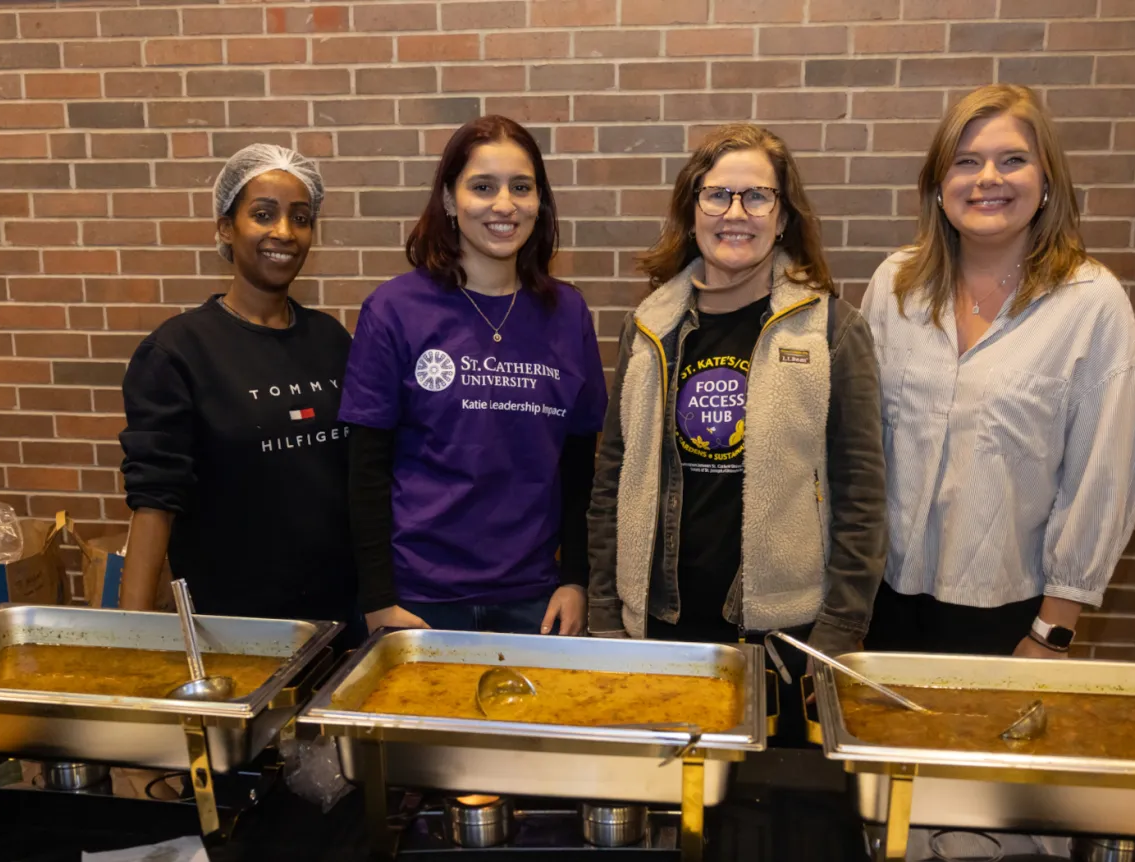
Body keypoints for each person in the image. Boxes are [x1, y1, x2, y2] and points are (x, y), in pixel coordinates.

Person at [587, 123, 887, 742]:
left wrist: (837, 633)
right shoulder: (649, 328)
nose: (736, 213)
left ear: (783, 217)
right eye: (717, 195)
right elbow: (611, 478)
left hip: (782, 638)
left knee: (766, 821)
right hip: (660, 625)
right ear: (691, 209)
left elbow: (862, 497)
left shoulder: (831, 330)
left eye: (758, 196)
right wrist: (605, 613)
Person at [860, 84, 1135, 658]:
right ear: (938, 187)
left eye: (1012, 160)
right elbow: (858, 450)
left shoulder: (1091, 304)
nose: (987, 178)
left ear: (1046, 182)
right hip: (880, 602)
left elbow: (1102, 479)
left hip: (1009, 616)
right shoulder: (895, 287)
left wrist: (1052, 633)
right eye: (965, 162)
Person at [340, 115, 608, 636]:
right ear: (448, 198)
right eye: (483, 186)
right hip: (419, 601)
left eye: (521, 187)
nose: (504, 205)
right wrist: (376, 600)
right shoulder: (395, 309)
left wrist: (575, 579)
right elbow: (365, 470)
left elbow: (580, 468)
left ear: (539, 202)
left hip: (535, 600)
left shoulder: (568, 313)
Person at [118, 144, 357, 628]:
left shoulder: (332, 340)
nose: (284, 233)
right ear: (226, 227)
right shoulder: (177, 352)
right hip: (234, 629)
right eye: (263, 214)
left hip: (339, 621)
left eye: (301, 217)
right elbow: (155, 502)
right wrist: (130, 639)